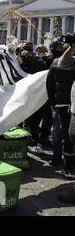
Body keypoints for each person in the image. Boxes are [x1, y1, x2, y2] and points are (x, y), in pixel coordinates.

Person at [47, 36, 75, 177]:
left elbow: (49, 85)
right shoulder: (63, 63)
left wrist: (52, 103)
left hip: (62, 104)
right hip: (67, 104)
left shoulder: (56, 63)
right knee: (65, 135)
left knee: (64, 135)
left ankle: (67, 166)